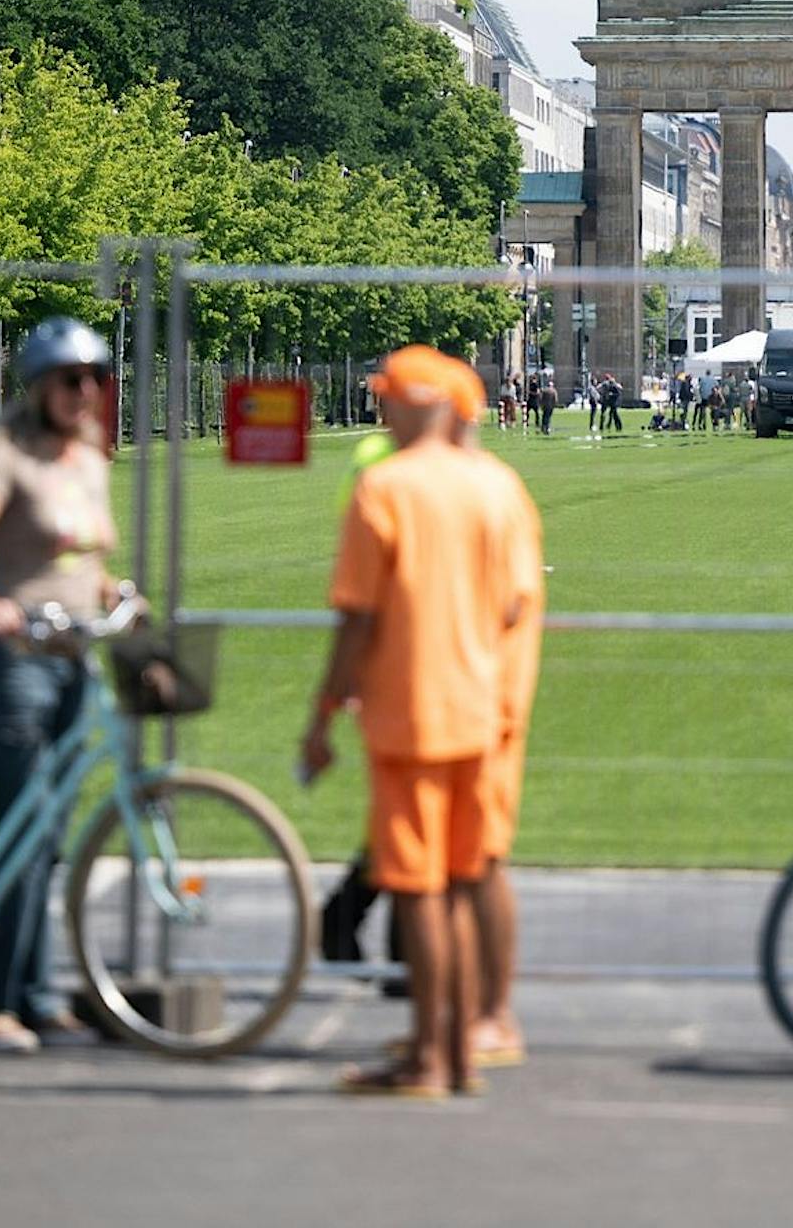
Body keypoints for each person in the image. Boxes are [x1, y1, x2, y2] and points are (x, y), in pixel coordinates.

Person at [303, 346, 519, 1099]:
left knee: (420, 889)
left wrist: (322, 715)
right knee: (463, 879)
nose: (380, 412)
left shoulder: (384, 488)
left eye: (387, 399)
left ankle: (430, 1058)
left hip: (411, 710)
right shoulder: (496, 486)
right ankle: (457, 1051)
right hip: (480, 705)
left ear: (413, 404)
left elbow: (356, 617)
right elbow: (513, 603)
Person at [0, 316, 122, 1054]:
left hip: (77, 659)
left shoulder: (88, 457)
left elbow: (83, 557)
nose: (86, 392)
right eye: (71, 379)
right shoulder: (9, 455)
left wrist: (110, 590)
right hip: (19, 664)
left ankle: (38, 997)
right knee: (20, 837)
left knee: (49, 842)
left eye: (95, 378)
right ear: (41, 385)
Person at [445, 361, 545, 1070]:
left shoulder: (480, 491)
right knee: (454, 867)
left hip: (470, 699)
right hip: (460, 696)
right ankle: (455, 1023)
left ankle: (480, 1020)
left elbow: (506, 601)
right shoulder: (483, 489)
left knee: (469, 864)